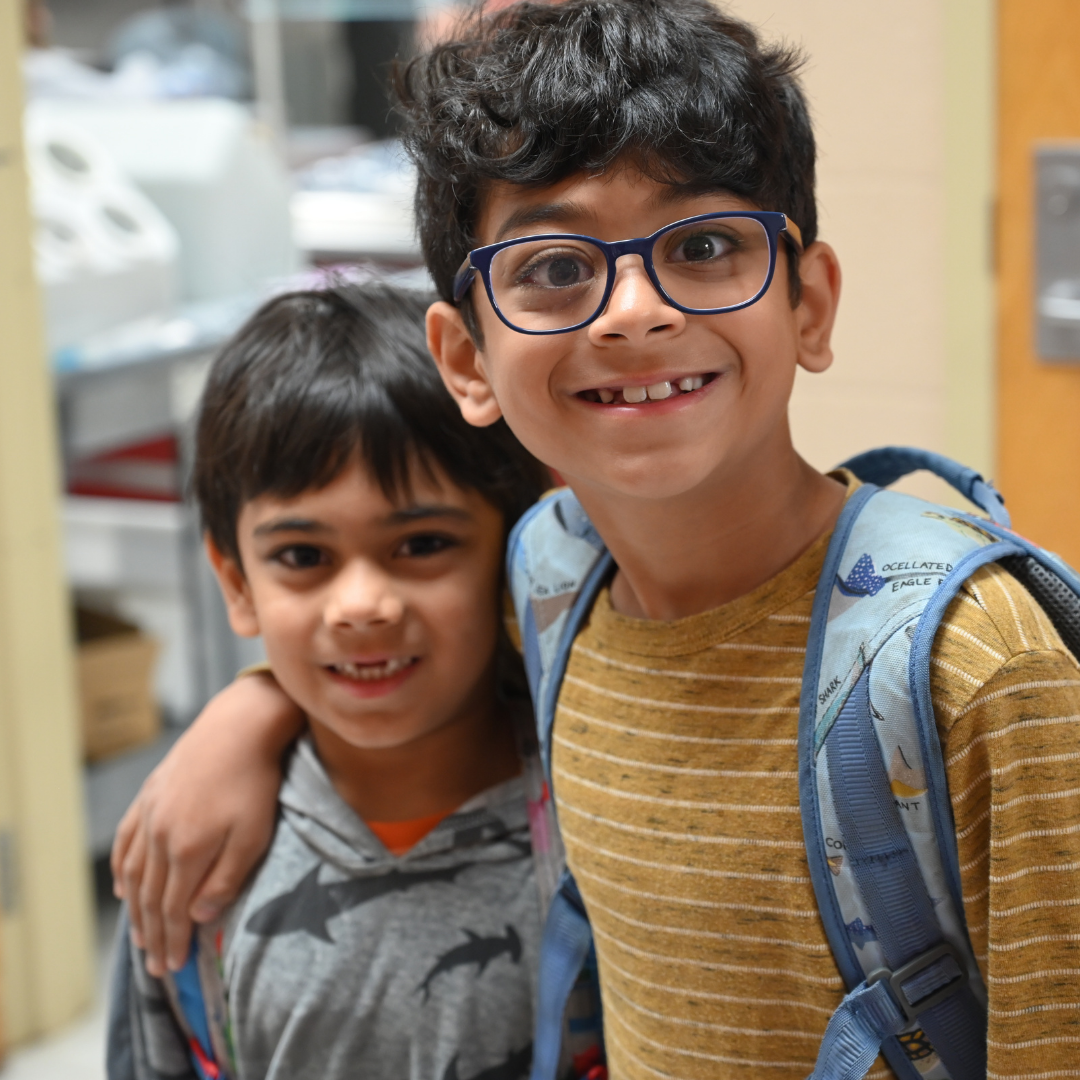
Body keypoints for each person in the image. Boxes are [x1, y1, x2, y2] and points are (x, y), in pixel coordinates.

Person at [114, 3, 1080, 1078]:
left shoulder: (979, 670)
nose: (631, 310)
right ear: (467, 359)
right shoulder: (550, 575)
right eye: (554, 268)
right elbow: (386, 641)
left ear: (808, 304)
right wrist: (251, 711)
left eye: (705, 245)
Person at [106, 283, 555, 1080]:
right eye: (303, 558)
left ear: (516, 544)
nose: (361, 606)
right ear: (236, 581)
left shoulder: (601, 817)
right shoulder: (192, 855)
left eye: (421, 544)